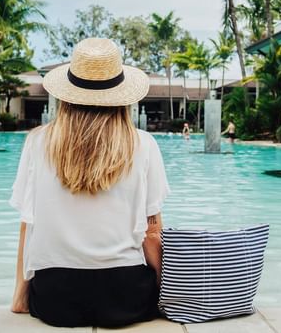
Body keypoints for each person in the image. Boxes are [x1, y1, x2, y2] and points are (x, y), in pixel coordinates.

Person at [9, 38, 170, 327]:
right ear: (122, 97)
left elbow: (27, 224)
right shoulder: (143, 144)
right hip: (125, 296)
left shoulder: (37, 142)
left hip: (54, 299)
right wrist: (164, 295)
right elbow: (152, 231)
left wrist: (20, 297)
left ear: (66, 96)